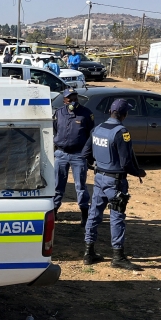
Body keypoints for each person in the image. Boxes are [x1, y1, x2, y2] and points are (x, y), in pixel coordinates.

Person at [81, 98, 146, 269]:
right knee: (117, 217)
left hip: (99, 177)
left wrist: (95, 165)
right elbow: (125, 162)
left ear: (110, 112)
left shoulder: (98, 129)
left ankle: (89, 252)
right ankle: (118, 256)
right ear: (124, 115)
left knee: (94, 213)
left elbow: (85, 152)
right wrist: (138, 172)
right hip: (115, 181)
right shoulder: (121, 132)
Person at [53, 88, 94, 224]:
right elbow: (55, 130)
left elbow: (91, 134)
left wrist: (88, 154)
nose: (73, 102)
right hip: (61, 154)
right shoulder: (59, 113)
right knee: (58, 186)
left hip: (79, 155)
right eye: (70, 99)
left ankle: (84, 215)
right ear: (64, 100)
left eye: (75, 99)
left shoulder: (86, 114)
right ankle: (54, 212)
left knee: (80, 186)